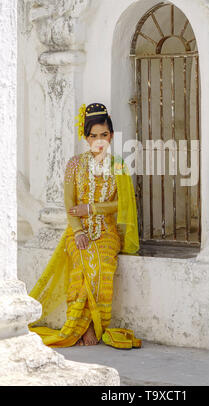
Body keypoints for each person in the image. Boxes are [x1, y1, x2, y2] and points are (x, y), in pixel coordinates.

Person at [28, 103, 141, 348]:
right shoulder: (74, 164)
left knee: (101, 265)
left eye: (104, 135)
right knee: (82, 261)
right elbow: (69, 204)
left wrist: (92, 208)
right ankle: (78, 325)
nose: (99, 141)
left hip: (107, 231)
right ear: (85, 137)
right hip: (78, 230)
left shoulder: (118, 165)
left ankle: (92, 324)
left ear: (111, 135)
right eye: (93, 136)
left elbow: (123, 204)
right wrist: (78, 230)